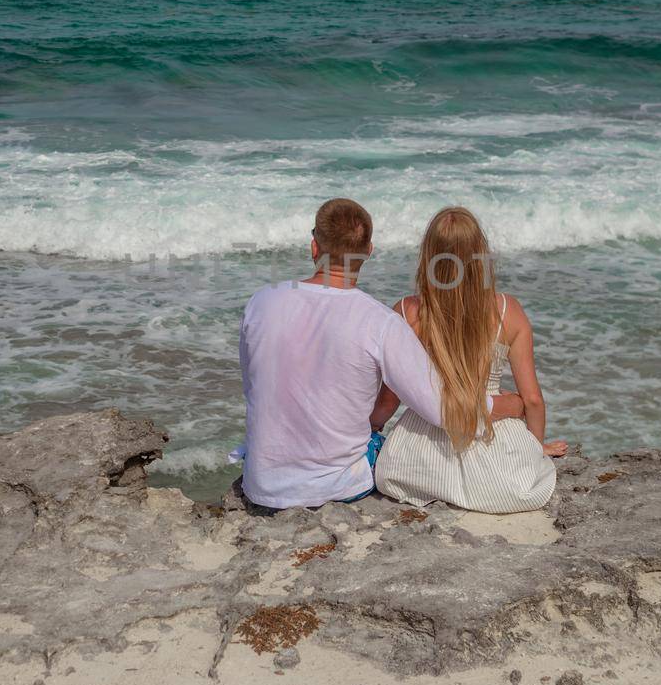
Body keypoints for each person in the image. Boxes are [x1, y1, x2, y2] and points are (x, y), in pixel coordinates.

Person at [235, 197, 524, 510]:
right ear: (369, 251)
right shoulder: (379, 322)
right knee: (396, 455)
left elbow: (254, 384)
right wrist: (506, 404)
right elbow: (442, 411)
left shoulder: (261, 302)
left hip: (261, 482)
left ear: (314, 247)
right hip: (338, 483)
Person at [371, 206, 566, 514]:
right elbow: (532, 400)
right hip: (492, 434)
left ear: (429, 257)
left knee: (394, 474)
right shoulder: (506, 311)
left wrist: (370, 427)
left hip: (419, 456)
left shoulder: (409, 313)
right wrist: (535, 447)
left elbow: (390, 396)